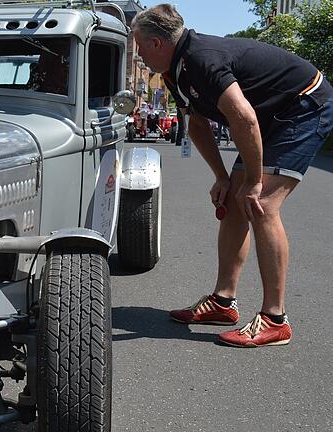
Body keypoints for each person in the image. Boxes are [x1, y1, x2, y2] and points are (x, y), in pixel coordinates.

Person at [132, 4, 333, 347]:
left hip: (303, 105)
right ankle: (223, 302)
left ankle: (275, 319)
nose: (137, 53)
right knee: (236, 202)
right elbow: (196, 123)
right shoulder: (173, 70)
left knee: (262, 204)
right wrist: (223, 178)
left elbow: (243, 118)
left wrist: (254, 182)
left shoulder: (202, 59)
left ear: (155, 43)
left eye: (137, 44)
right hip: (268, 115)